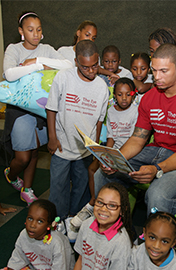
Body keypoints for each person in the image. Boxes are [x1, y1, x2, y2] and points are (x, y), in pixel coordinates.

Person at [94, 43, 176, 216]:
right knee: (102, 174)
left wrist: (157, 169)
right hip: (155, 150)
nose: (156, 77)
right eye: (154, 70)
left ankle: (157, 240)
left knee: (157, 195)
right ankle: (112, 230)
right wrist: (115, 160)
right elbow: (137, 139)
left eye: (164, 71)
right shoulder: (150, 97)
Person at [2, 11, 72, 205]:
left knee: (34, 152)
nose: (35, 34)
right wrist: (39, 67)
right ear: (21, 31)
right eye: (30, 29)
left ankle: (27, 189)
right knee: (22, 157)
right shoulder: (14, 49)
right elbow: (9, 73)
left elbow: (67, 65)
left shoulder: (47, 49)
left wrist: (38, 61)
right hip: (19, 110)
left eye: (38, 30)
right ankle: (11, 173)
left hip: (42, 109)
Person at [45, 40, 109, 226]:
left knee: (81, 188)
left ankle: (73, 220)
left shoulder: (101, 87)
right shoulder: (63, 78)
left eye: (95, 66)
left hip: (85, 150)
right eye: (85, 67)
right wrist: (52, 137)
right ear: (76, 62)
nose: (91, 71)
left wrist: (95, 149)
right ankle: (58, 221)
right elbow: (51, 109)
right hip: (62, 146)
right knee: (58, 187)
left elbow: (99, 121)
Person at [68, 78, 138, 241]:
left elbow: (136, 140)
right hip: (115, 153)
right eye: (120, 94)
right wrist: (107, 155)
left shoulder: (137, 111)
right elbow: (111, 138)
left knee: (102, 175)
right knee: (97, 170)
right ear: (114, 96)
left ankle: (95, 208)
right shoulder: (111, 112)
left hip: (132, 154)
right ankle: (96, 209)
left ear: (134, 95)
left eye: (128, 94)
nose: (124, 98)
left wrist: (117, 157)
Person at [74, 182, 133, 270]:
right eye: (100, 202)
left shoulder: (121, 242)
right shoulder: (86, 224)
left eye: (112, 205)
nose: (103, 209)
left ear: (122, 211)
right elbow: (80, 259)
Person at [7, 199, 75, 269]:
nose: (32, 225)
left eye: (40, 221)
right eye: (30, 219)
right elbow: (16, 260)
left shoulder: (56, 242)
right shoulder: (24, 234)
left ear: (49, 225)